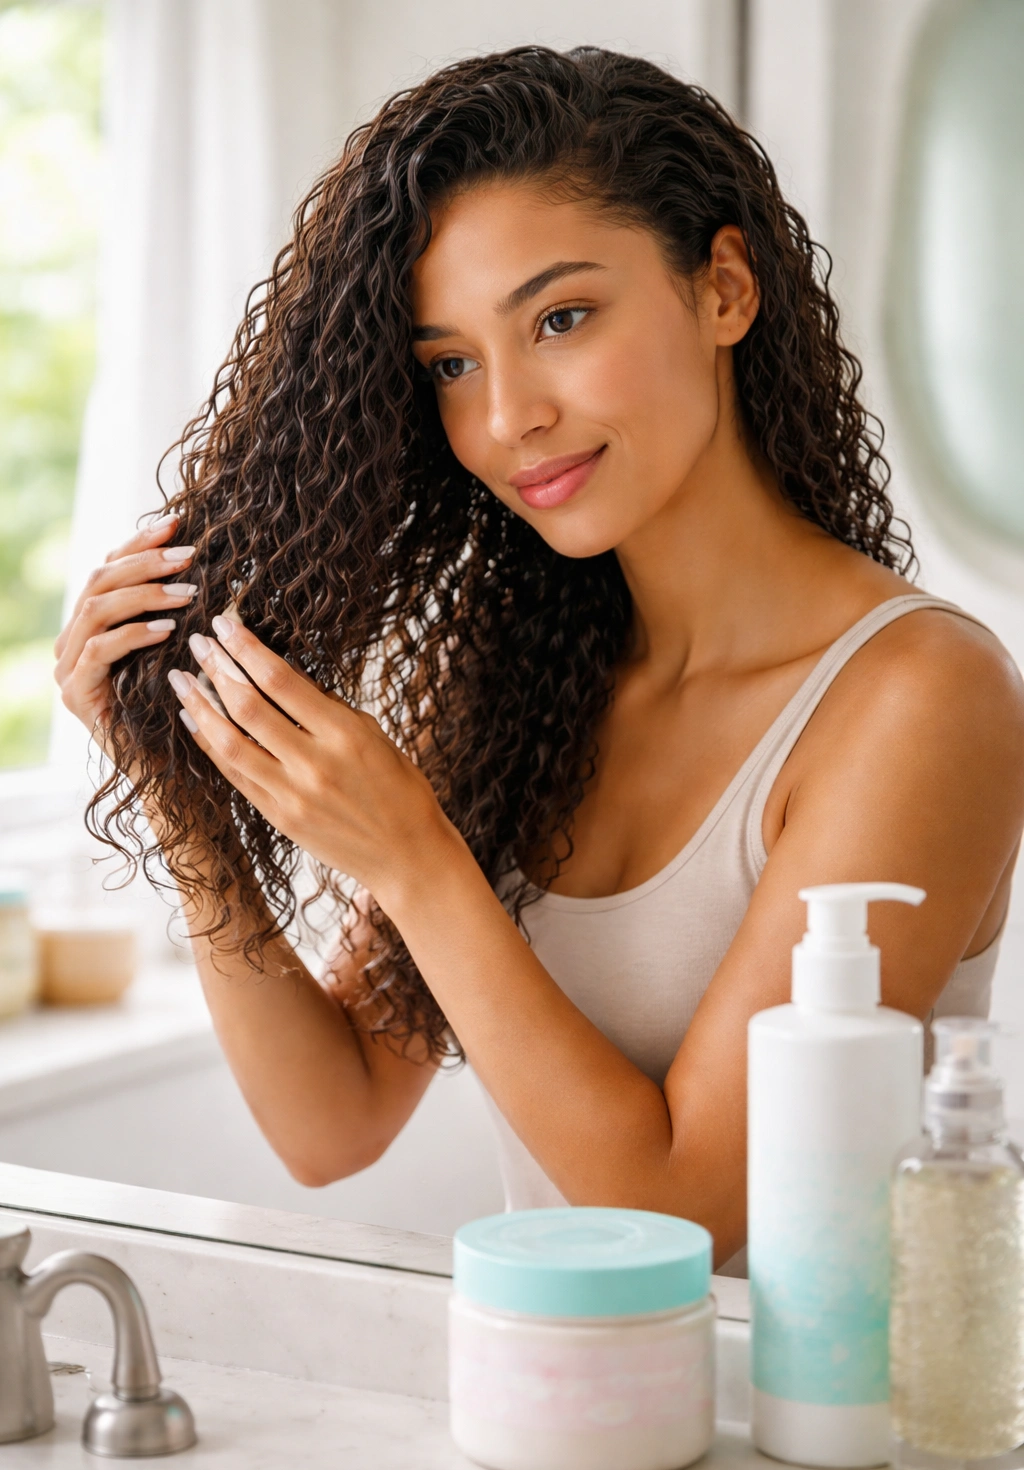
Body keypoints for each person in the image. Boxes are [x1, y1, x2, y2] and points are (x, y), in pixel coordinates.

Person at [54, 47, 1024, 1271]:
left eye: (561, 319)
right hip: (566, 1431)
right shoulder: (522, 690)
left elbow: (693, 1210)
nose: (507, 416)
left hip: (825, 1453)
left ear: (723, 289)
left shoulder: (920, 695)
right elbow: (330, 1120)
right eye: (451, 364)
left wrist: (416, 858)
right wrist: (176, 777)